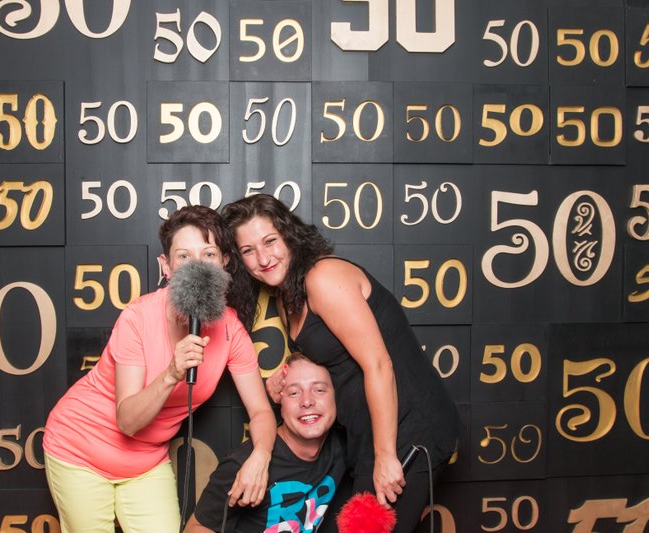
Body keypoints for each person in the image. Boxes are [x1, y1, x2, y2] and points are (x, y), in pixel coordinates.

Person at [222, 194, 460, 533]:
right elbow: (332, 354)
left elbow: (379, 364)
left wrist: (386, 456)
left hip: (408, 431)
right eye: (248, 250)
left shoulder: (322, 277)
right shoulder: (289, 295)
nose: (263, 257)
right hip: (366, 434)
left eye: (270, 241)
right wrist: (286, 372)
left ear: (289, 235)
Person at [42, 205, 277, 533]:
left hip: (146, 461)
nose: (197, 265)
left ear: (225, 262)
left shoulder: (230, 330)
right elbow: (127, 421)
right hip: (79, 447)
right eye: (184, 256)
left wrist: (261, 456)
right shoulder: (137, 318)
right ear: (166, 266)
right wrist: (171, 374)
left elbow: (261, 412)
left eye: (208, 254)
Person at [185, 352, 346, 533]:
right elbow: (195, 528)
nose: (307, 401)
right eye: (294, 393)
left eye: (319, 390)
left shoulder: (345, 444)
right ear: (279, 400)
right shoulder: (245, 465)